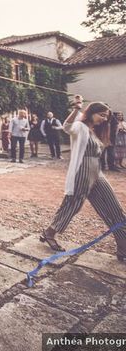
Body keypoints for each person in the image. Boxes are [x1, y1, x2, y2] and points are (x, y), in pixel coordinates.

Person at [41, 96, 126, 263]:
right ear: (92, 113)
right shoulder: (80, 126)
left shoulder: (95, 131)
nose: (104, 119)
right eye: (101, 114)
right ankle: (49, 233)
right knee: (73, 205)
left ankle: (123, 245)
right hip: (82, 172)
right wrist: (76, 108)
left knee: (113, 208)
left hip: (97, 172)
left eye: (106, 116)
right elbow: (66, 127)